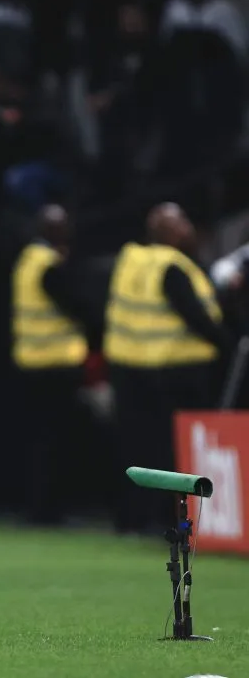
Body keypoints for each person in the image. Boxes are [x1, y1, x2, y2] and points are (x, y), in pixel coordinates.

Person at [104, 202, 229, 534]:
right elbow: (195, 316)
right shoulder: (172, 266)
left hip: (130, 367)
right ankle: (168, 519)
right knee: (172, 452)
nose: (187, 228)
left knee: (138, 449)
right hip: (175, 369)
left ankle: (133, 518)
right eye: (181, 222)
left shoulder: (131, 259)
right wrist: (226, 342)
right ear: (167, 231)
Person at [11, 205, 92, 524]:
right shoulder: (49, 266)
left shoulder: (27, 260)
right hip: (55, 364)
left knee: (39, 440)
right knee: (53, 442)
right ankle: (48, 510)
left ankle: (39, 507)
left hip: (30, 362)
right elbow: (76, 306)